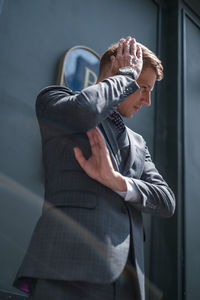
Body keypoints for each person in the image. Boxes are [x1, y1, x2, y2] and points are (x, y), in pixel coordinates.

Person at [13, 36, 175, 300]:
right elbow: (86, 110)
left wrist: (117, 182)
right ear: (117, 70)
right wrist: (126, 76)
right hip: (68, 271)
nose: (147, 101)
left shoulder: (138, 142)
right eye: (142, 87)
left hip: (129, 284)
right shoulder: (56, 100)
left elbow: (166, 201)